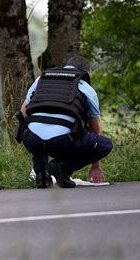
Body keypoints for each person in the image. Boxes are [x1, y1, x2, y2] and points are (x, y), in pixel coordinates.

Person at [20, 56, 113, 188]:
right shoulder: (86, 88)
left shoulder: (41, 79)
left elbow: (23, 112)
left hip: (32, 140)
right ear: (86, 72)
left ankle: (41, 173)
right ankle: (62, 167)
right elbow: (96, 130)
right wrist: (96, 167)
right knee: (106, 144)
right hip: (62, 142)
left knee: (37, 129)